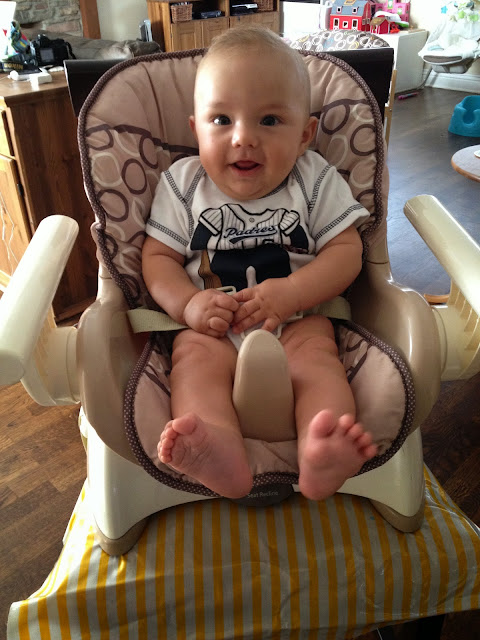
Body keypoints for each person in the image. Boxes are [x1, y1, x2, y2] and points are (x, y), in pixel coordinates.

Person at [142, 26, 378, 501]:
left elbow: (347, 251)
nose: (243, 138)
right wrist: (188, 305)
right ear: (196, 129)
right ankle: (217, 448)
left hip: (298, 320)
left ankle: (321, 446)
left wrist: (293, 292)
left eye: (269, 120)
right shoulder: (183, 184)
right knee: (192, 363)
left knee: (318, 362)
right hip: (213, 328)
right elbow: (158, 258)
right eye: (221, 120)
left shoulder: (314, 179)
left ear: (305, 134)